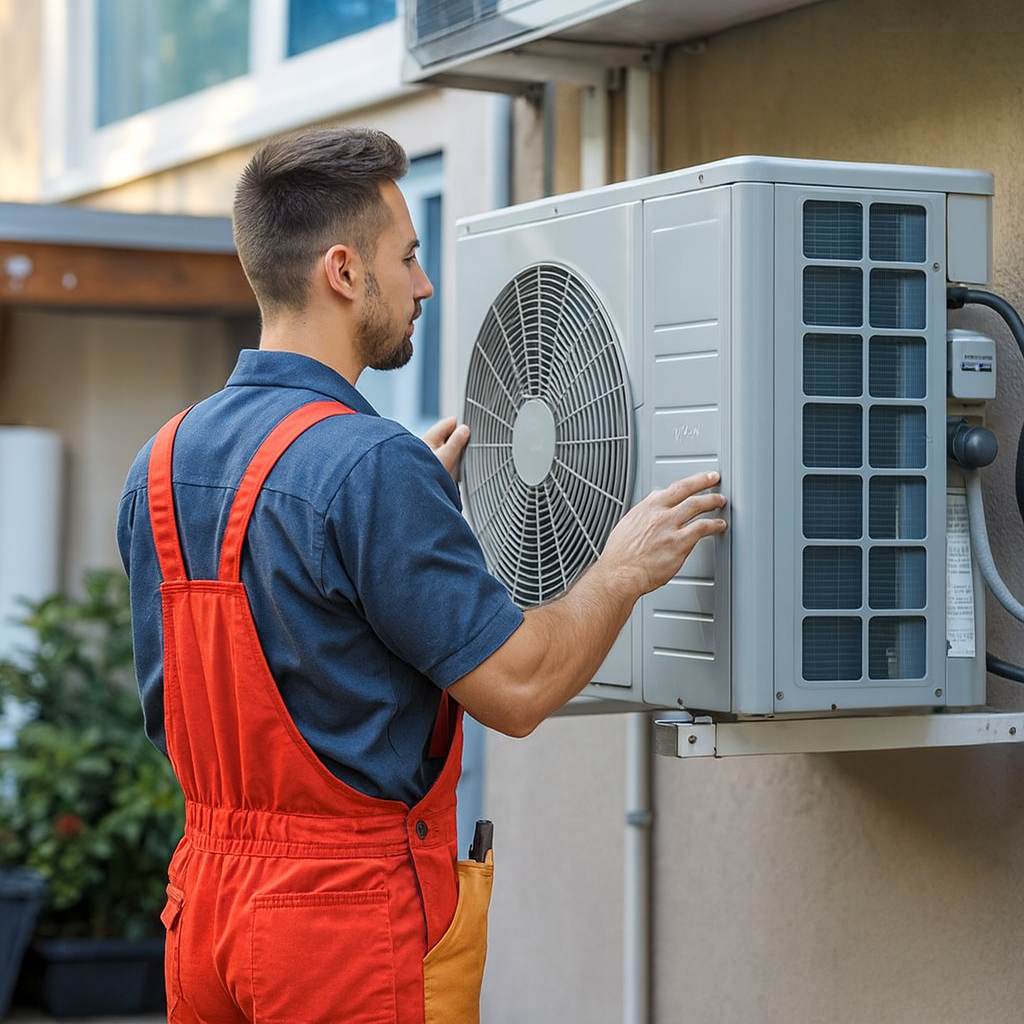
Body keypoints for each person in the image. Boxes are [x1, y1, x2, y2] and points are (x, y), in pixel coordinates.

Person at [116, 125, 727, 1024]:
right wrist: (623, 569)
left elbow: (264, 625)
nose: (426, 283)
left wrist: (389, 533)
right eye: (407, 257)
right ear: (343, 270)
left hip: (203, 910)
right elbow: (518, 689)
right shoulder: (367, 468)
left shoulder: (161, 461)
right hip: (338, 927)